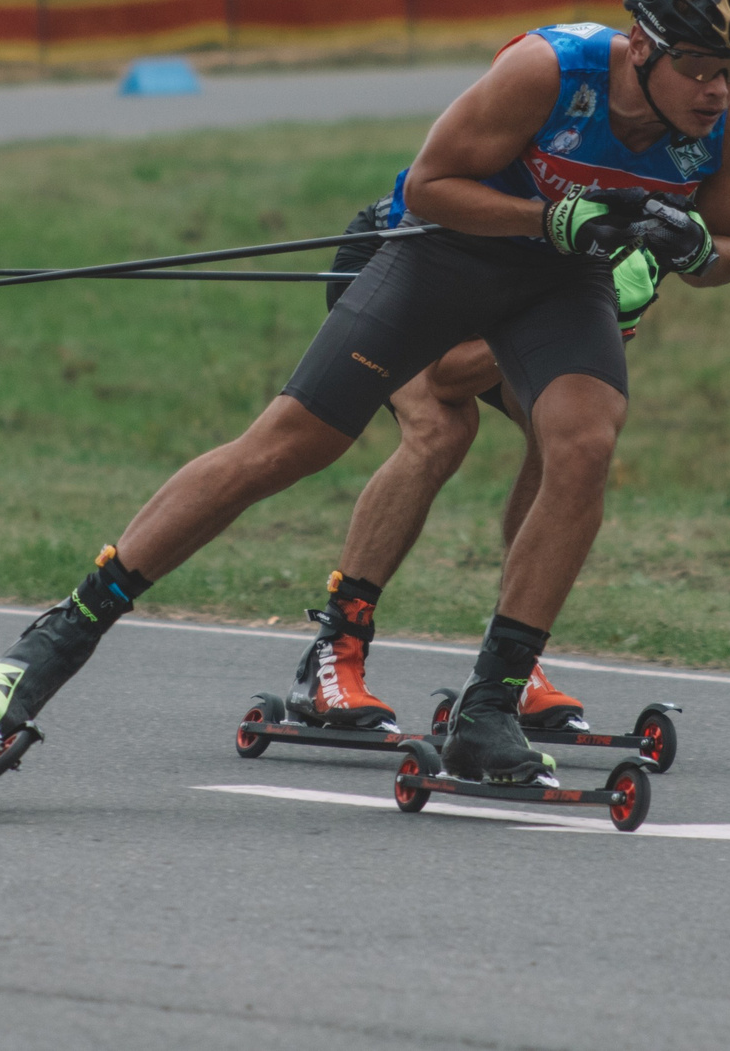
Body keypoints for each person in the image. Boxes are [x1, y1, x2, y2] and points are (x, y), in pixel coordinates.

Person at [0, 0, 730, 785]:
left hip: (562, 282)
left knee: (584, 441)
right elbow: (431, 185)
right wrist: (546, 217)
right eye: (698, 64)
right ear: (642, 44)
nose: (717, 88)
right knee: (290, 444)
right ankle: (52, 643)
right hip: (448, 253)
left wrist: (693, 249)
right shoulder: (549, 73)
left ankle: (491, 705)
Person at [282, 206, 666, 735]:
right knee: (441, 428)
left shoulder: (642, 238)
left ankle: (507, 666)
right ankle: (335, 652)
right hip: (418, 255)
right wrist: (530, 325)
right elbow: (446, 378)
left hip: (534, 273)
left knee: (563, 434)